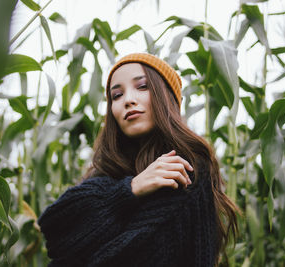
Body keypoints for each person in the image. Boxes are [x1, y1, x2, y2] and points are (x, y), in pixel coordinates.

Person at [38, 53, 239, 266]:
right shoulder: (105, 177)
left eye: (142, 86)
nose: (128, 100)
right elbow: (54, 232)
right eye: (116, 95)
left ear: (166, 97)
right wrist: (130, 190)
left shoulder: (187, 170)